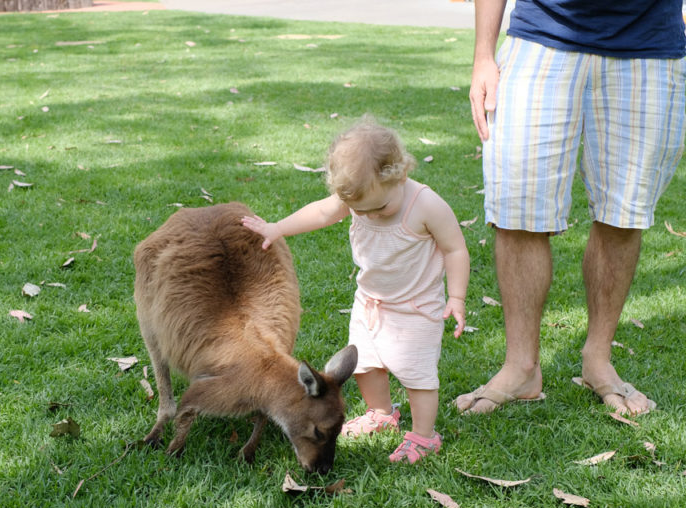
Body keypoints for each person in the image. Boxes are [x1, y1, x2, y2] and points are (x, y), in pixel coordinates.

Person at [457, 0, 686, 416]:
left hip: (651, 47)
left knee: (624, 212)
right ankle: (521, 366)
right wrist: (483, 56)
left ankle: (598, 359)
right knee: (518, 209)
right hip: (540, 39)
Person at [242, 116, 470, 463]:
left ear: (399, 173)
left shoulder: (426, 205)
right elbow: (320, 212)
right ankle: (381, 414)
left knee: (417, 374)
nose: (371, 216)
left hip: (416, 308)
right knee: (365, 364)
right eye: (359, 211)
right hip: (370, 302)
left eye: (379, 207)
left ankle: (424, 435)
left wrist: (456, 297)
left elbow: (455, 249)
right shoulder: (360, 196)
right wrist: (278, 228)